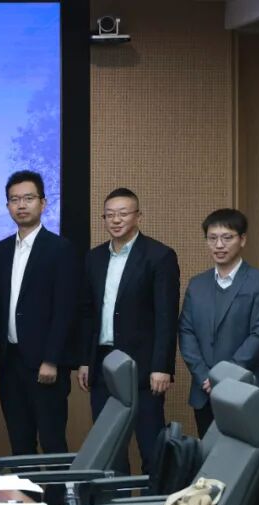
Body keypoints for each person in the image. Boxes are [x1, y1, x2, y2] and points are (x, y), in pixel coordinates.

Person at [179, 208, 259, 505]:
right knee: (213, 463)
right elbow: (186, 333)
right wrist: (205, 376)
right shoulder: (197, 285)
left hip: (245, 390)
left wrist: (225, 377)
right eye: (213, 238)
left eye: (227, 237)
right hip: (205, 389)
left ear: (242, 240)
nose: (219, 245)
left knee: (253, 466)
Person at [78, 188, 179, 475]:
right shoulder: (94, 257)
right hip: (103, 363)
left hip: (144, 367)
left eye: (123, 214)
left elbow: (166, 316)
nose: (116, 220)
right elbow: (87, 314)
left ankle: (153, 502)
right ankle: (114, 503)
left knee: (151, 445)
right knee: (109, 448)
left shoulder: (159, 256)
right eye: (109, 215)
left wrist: (162, 366)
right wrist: (85, 360)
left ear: (138, 216)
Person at [0, 171, 79, 456]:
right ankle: (25, 488)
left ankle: (56, 491)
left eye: (28, 198)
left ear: (43, 203)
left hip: (45, 364)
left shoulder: (61, 249)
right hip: (9, 362)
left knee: (52, 442)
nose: (21, 205)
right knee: (20, 443)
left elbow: (66, 309)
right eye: (14, 199)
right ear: (7, 206)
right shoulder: (0, 251)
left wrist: (51, 359)